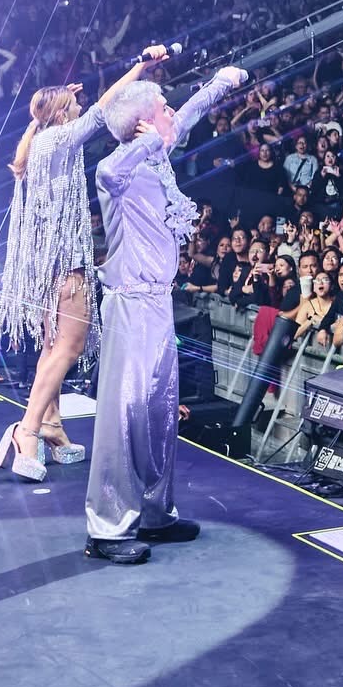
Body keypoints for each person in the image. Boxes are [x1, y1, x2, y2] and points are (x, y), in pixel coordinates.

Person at [84, 63, 248, 564]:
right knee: (123, 412)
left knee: (158, 410)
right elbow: (109, 172)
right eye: (162, 108)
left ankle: (155, 513)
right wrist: (152, 140)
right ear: (142, 124)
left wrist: (220, 84)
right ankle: (107, 528)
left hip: (158, 303)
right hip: (130, 302)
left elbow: (191, 115)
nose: (172, 113)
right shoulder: (122, 166)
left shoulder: (154, 161)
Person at [0, 46, 169, 481]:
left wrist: (58, 103)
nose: (82, 105)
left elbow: (78, 111)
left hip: (46, 262)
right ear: (61, 114)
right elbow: (107, 108)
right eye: (74, 104)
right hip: (64, 262)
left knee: (53, 348)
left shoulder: (40, 140)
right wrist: (140, 69)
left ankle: (51, 425)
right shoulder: (59, 138)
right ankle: (27, 431)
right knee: (69, 346)